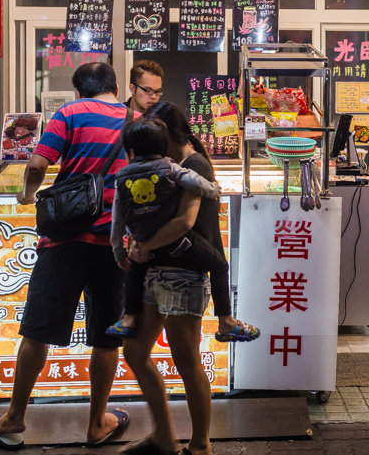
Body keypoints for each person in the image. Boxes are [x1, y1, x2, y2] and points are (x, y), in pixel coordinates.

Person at [0, 63, 132, 448]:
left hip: (64, 239)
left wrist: (27, 194)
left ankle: (15, 417)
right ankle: (98, 423)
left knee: (38, 331)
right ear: (116, 86)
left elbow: (37, 163)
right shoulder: (136, 119)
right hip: (114, 243)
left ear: (78, 90)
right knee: (106, 337)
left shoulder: (68, 114)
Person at [121, 102, 248, 455]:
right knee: (134, 351)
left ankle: (201, 444)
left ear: (169, 131)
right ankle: (164, 435)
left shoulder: (194, 165)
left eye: (156, 131)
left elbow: (184, 223)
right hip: (154, 269)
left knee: (186, 359)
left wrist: (140, 244)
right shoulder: (165, 165)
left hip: (184, 274)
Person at [106, 117, 259, 343]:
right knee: (219, 265)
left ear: (130, 151)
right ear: (163, 147)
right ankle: (226, 320)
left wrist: (119, 250)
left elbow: (117, 219)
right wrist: (214, 189)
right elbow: (195, 182)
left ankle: (128, 318)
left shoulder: (122, 177)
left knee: (134, 269)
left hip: (140, 240)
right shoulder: (169, 167)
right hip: (176, 242)